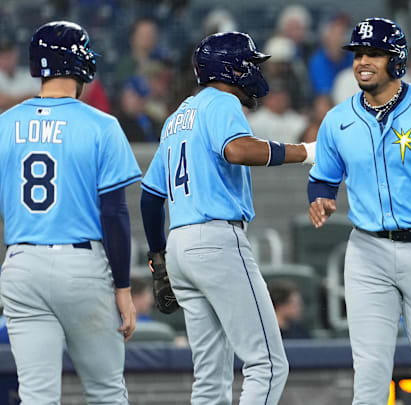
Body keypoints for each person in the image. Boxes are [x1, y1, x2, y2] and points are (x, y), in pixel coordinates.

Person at [308, 18, 411, 404]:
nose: (362, 61)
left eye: (374, 54)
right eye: (358, 54)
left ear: (396, 60)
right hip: (367, 252)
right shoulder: (338, 119)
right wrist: (318, 197)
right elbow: (322, 179)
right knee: (368, 381)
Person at [140, 31, 315, 405]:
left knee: (209, 380)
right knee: (268, 364)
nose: (254, 70)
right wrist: (303, 152)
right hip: (215, 240)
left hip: (180, 247)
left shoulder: (177, 117)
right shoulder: (221, 102)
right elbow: (237, 150)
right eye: (250, 62)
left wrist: (158, 258)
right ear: (231, 68)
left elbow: (151, 196)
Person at [0, 21, 139, 403]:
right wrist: (123, 288)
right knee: (106, 391)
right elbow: (114, 214)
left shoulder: (3, 125)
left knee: (37, 396)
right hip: (81, 266)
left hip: (22, 262)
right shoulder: (101, 125)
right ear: (79, 65)